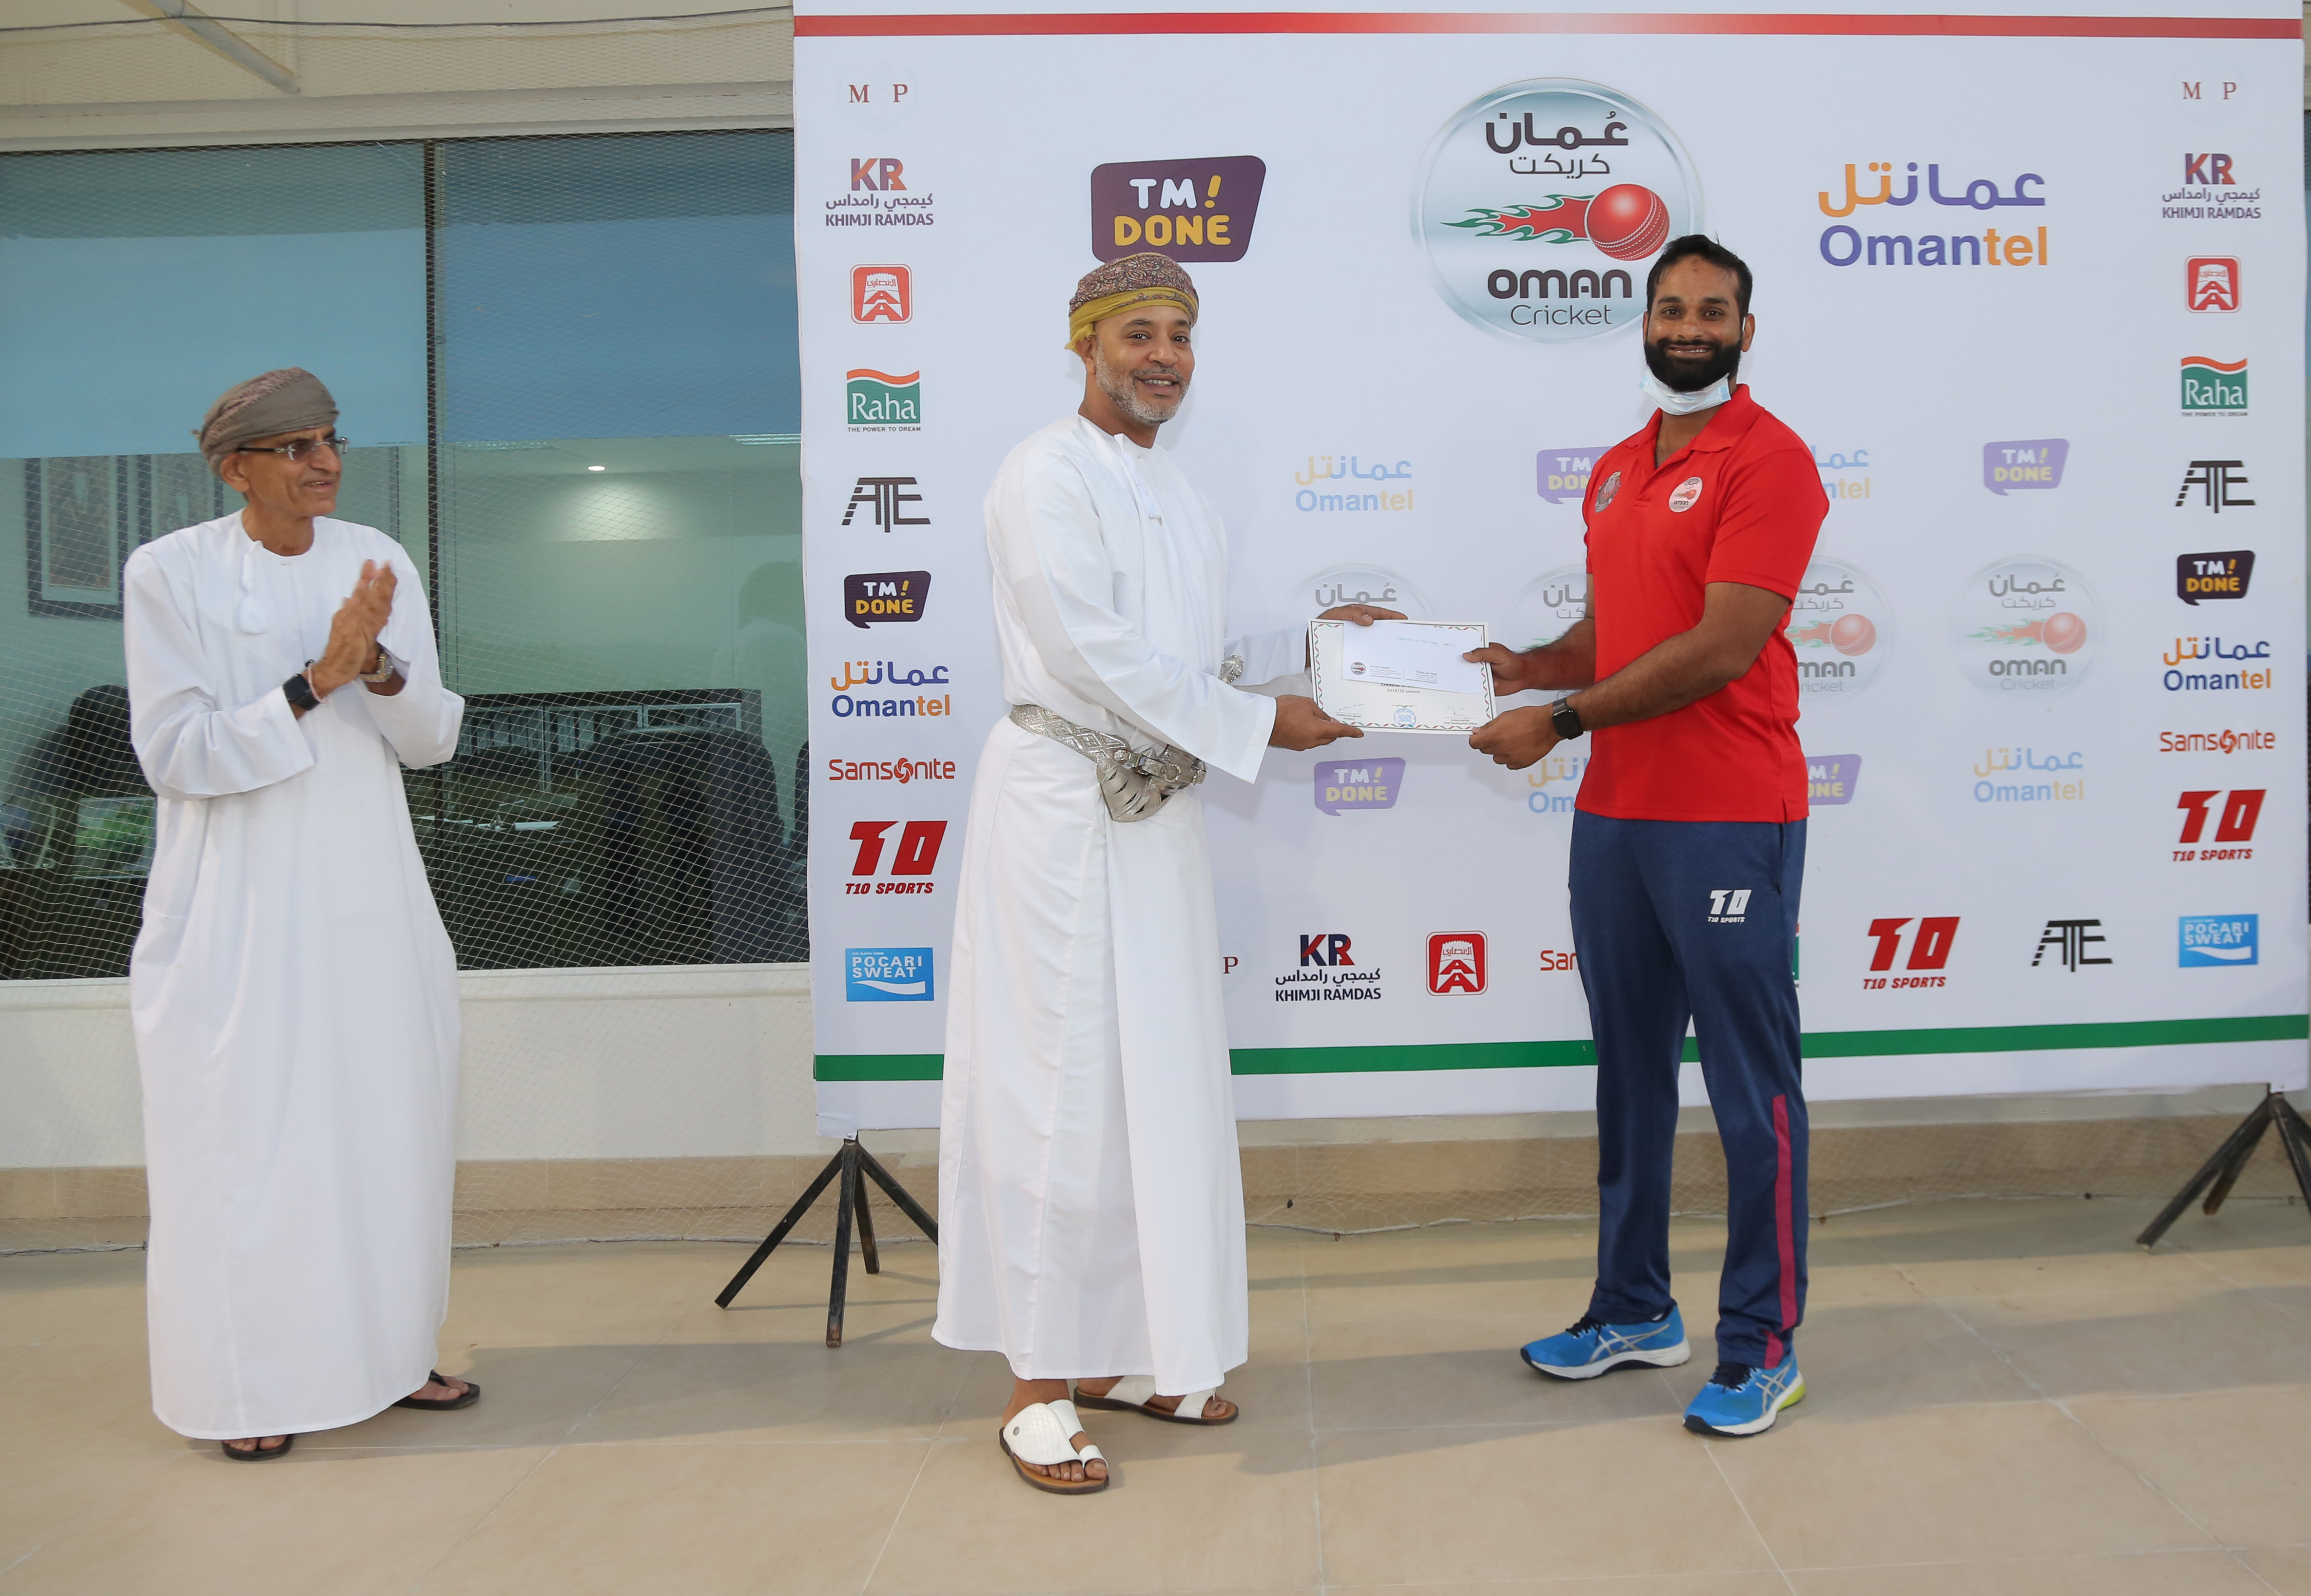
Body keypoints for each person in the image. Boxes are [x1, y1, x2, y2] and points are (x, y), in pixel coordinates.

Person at [935, 253, 1390, 1493]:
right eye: (1139, 333)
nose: (1164, 358)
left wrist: (1319, 655)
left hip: (1155, 811)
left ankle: (1129, 1350)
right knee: (1059, 1079)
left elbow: (1187, 659)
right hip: (1062, 810)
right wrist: (1257, 729)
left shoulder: (1176, 490)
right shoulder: (1042, 472)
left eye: (1181, 336)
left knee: (1156, 1082)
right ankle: (1037, 1383)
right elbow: (1090, 652)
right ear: (1084, 343)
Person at [1466, 236, 1828, 1438]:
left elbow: (1722, 645)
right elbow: (1619, 627)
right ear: (1644, 320)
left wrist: (1559, 716)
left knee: (1748, 1092)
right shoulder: (1621, 465)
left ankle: (1761, 1342)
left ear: (1744, 327)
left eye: (1711, 309)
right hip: (1617, 815)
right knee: (1629, 1073)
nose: (1688, 325)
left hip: (1727, 814)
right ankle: (1632, 1306)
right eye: (1669, 306)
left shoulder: (1769, 461)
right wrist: (1530, 666)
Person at [124, 368, 476, 1460]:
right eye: (294, 448)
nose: (324, 462)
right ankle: (249, 1384)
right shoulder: (169, 572)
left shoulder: (379, 558)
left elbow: (431, 738)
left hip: (366, 892)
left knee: (388, 1122)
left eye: (329, 440)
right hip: (236, 908)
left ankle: (389, 1352)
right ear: (236, 467)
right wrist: (312, 681)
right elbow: (176, 754)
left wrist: (375, 665)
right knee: (249, 1142)